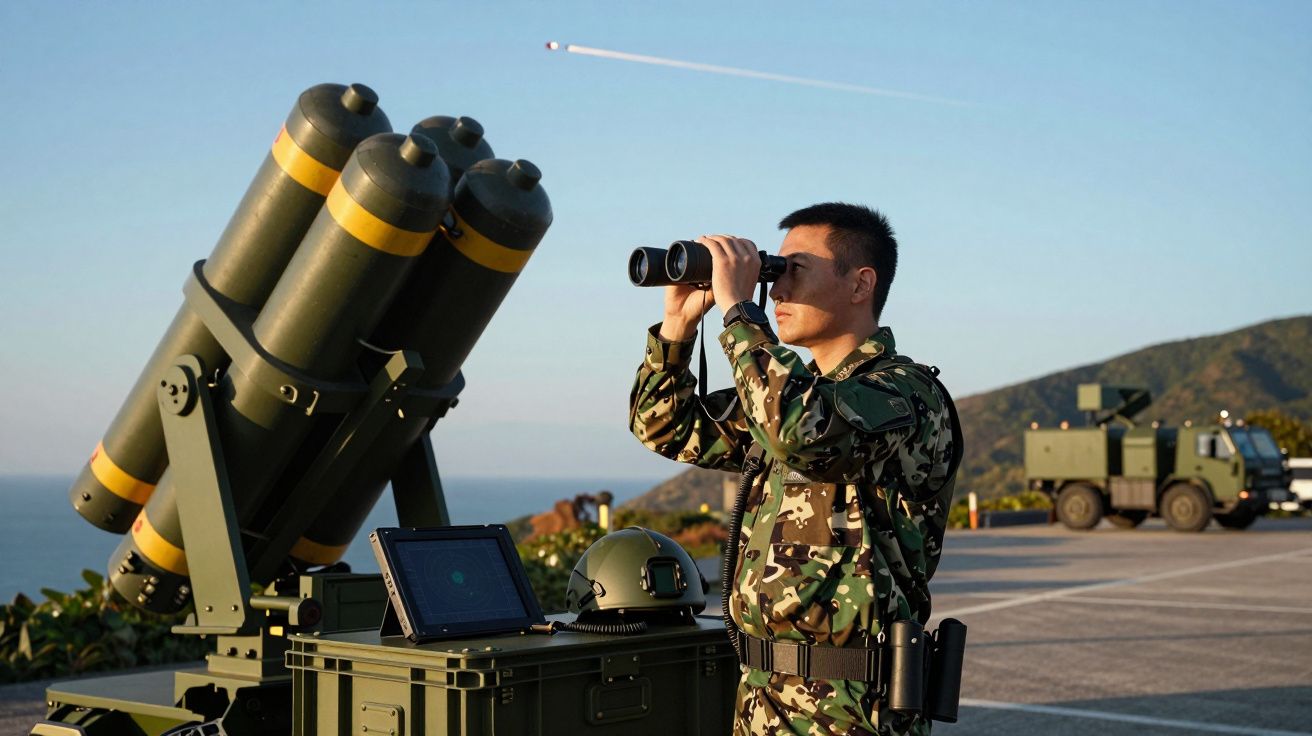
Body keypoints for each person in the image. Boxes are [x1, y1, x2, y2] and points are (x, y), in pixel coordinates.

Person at [628, 202, 961, 736]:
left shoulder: (904, 394)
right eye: (772, 272)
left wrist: (739, 310)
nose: (777, 290)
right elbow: (662, 426)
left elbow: (797, 432)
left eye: (794, 271)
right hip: (762, 695)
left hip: (852, 707)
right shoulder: (788, 393)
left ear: (860, 284)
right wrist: (677, 327)